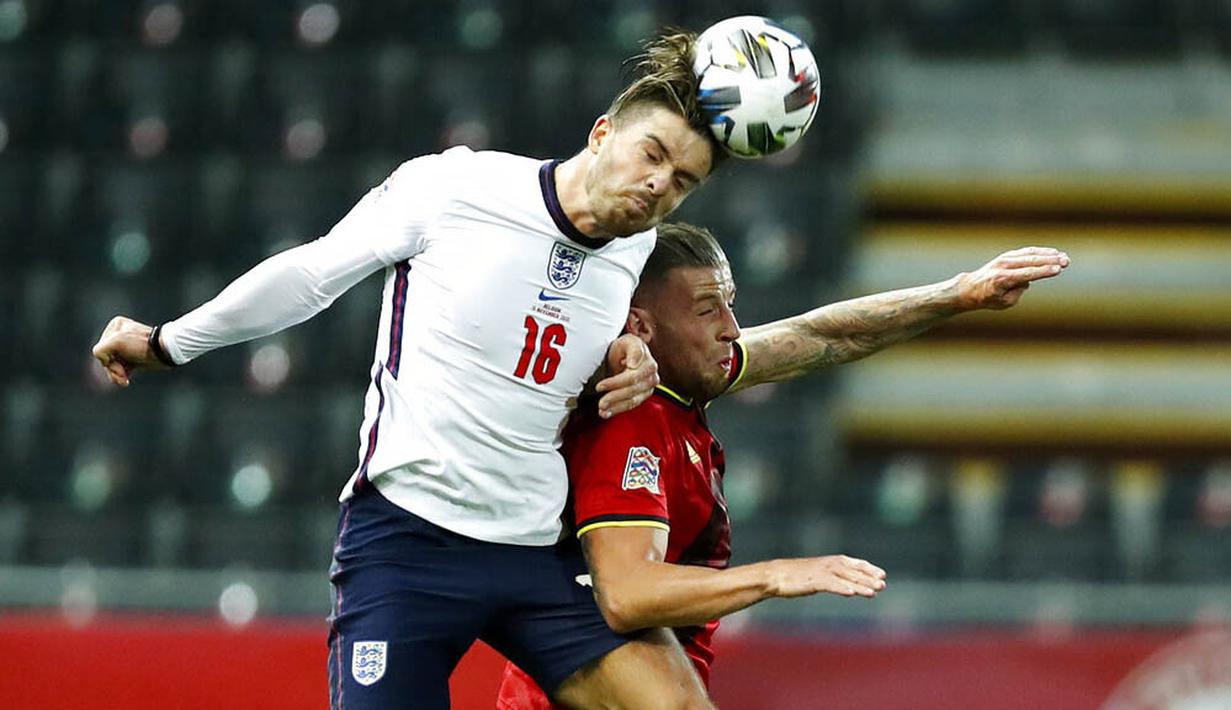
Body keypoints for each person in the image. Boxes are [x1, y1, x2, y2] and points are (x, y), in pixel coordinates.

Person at [92, 33, 729, 710]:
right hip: (407, 542)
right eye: (652, 155)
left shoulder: (635, 247)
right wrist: (168, 342)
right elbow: (311, 274)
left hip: (535, 549)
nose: (659, 184)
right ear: (602, 133)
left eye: (682, 181)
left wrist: (622, 354)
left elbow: (542, 327)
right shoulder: (457, 186)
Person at [496, 222, 1071, 707]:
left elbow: (818, 335)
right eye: (706, 310)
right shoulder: (631, 422)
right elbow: (626, 594)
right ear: (641, 327)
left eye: (730, 303)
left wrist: (957, 293)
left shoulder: (678, 390)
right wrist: (777, 575)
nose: (732, 326)